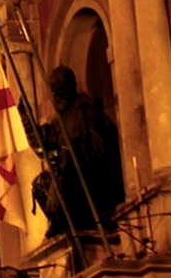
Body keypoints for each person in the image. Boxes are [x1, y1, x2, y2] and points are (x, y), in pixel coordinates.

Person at [34, 66, 125, 234]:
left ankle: (69, 220)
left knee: (66, 173)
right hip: (69, 171)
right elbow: (45, 149)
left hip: (92, 172)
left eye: (58, 88)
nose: (55, 94)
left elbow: (98, 146)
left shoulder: (85, 110)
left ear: (68, 87)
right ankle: (60, 221)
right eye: (52, 90)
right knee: (40, 184)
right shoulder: (59, 121)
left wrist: (70, 151)